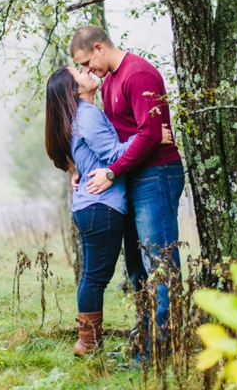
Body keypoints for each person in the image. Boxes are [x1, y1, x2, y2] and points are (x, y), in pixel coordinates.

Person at [69, 25, 184, 356]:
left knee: (159, 262)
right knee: (138, 268)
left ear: (100, 48)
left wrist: (111, 172)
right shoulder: (111, 83)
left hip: (156, 176)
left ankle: (162, 351)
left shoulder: (139, 74)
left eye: (87, 62)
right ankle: (145, 342)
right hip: (134, 178)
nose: (87, 70)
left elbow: (149, 135)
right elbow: (113, 140)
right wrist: (84, 168)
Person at [44, 65, 173, 356]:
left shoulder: (81, 117)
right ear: (73, 90)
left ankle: (90, 343)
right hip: (100, 207)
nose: (84, 71)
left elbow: (96, 155)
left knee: (93, 275)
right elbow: (115, 154)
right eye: (77, 72)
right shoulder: (87, 115)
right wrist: (152, 137)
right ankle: (87, 344)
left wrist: (81, 171)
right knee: (95, 277)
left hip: (90, 207)